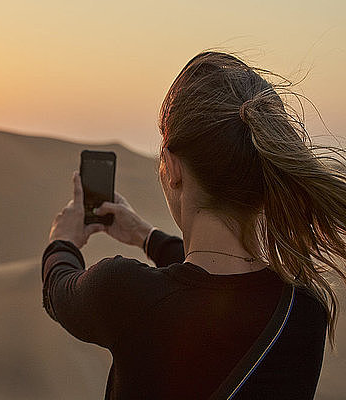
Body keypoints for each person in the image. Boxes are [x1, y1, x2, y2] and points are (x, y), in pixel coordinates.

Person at [41, 51, 346, 399]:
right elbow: (210, 287)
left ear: (172, 169)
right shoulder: (304, 311)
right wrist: (145, 236)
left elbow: (59, 289)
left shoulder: (125, 294)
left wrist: (61, 240)